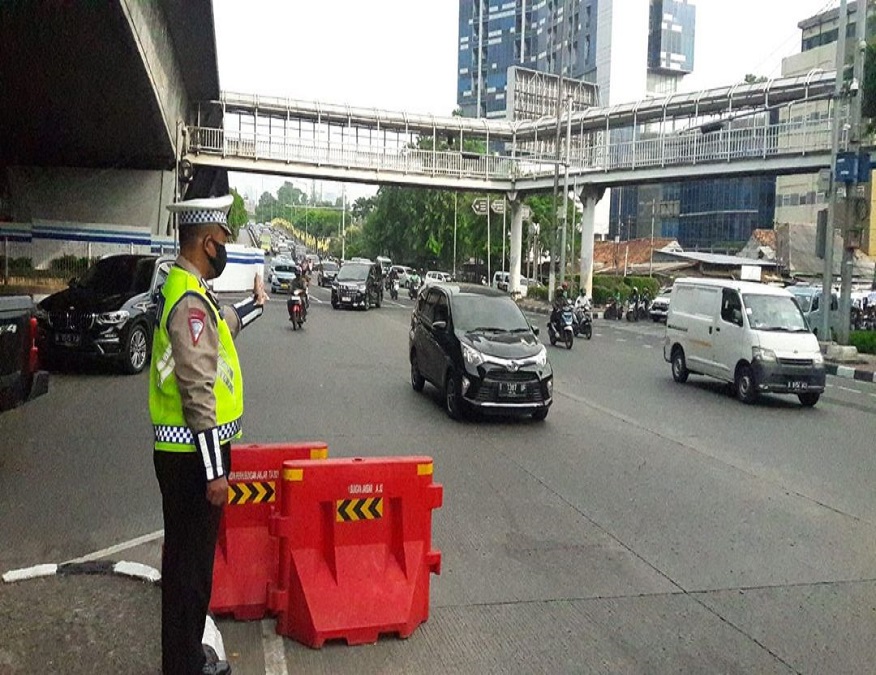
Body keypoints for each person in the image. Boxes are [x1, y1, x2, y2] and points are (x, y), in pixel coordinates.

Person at [151, 195, 267, 675]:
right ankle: (184, 667)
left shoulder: (188, 289)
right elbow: (198, 390)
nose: (226, 249)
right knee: (191, 570)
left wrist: (256, 306)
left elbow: (220, 334)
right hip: (194, 455)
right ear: (205, 241)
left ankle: (183, 656)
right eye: (222, 240)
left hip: (183, 453)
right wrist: (216, 471)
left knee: (184, 562)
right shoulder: (189, 301)